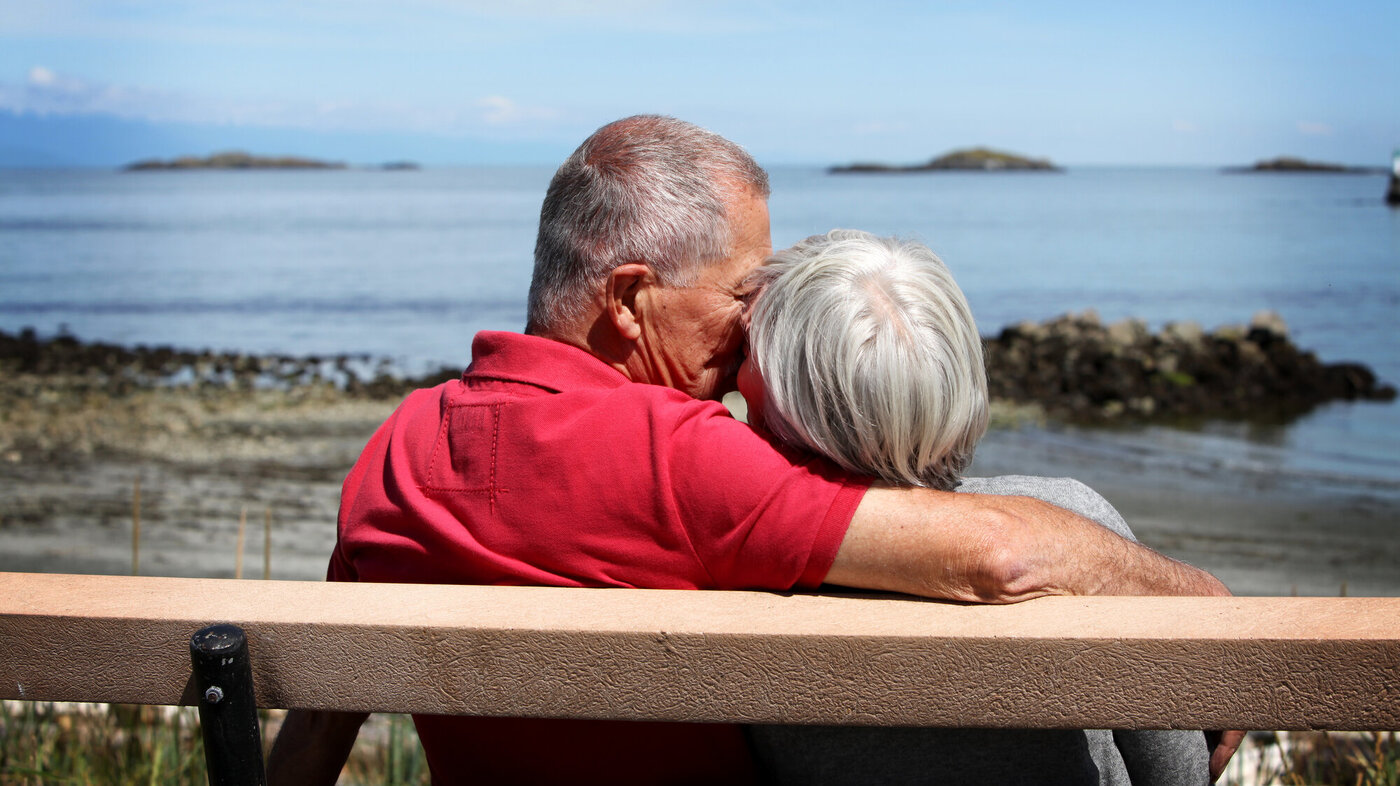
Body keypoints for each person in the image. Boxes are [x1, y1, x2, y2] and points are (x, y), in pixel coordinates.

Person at [267, 115, 1235, 786]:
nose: (744, 346)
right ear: (628, 296)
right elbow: (1002, 555)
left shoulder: (391, 452)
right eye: (741, 298)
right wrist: (1206, 614)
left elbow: (316, 725)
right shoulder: (676, 455)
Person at [736, 229, 1210, 785]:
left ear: (779, 397)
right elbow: (1176, 771)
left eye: (749, 359)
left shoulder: (741, 554)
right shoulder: (1067, 525)